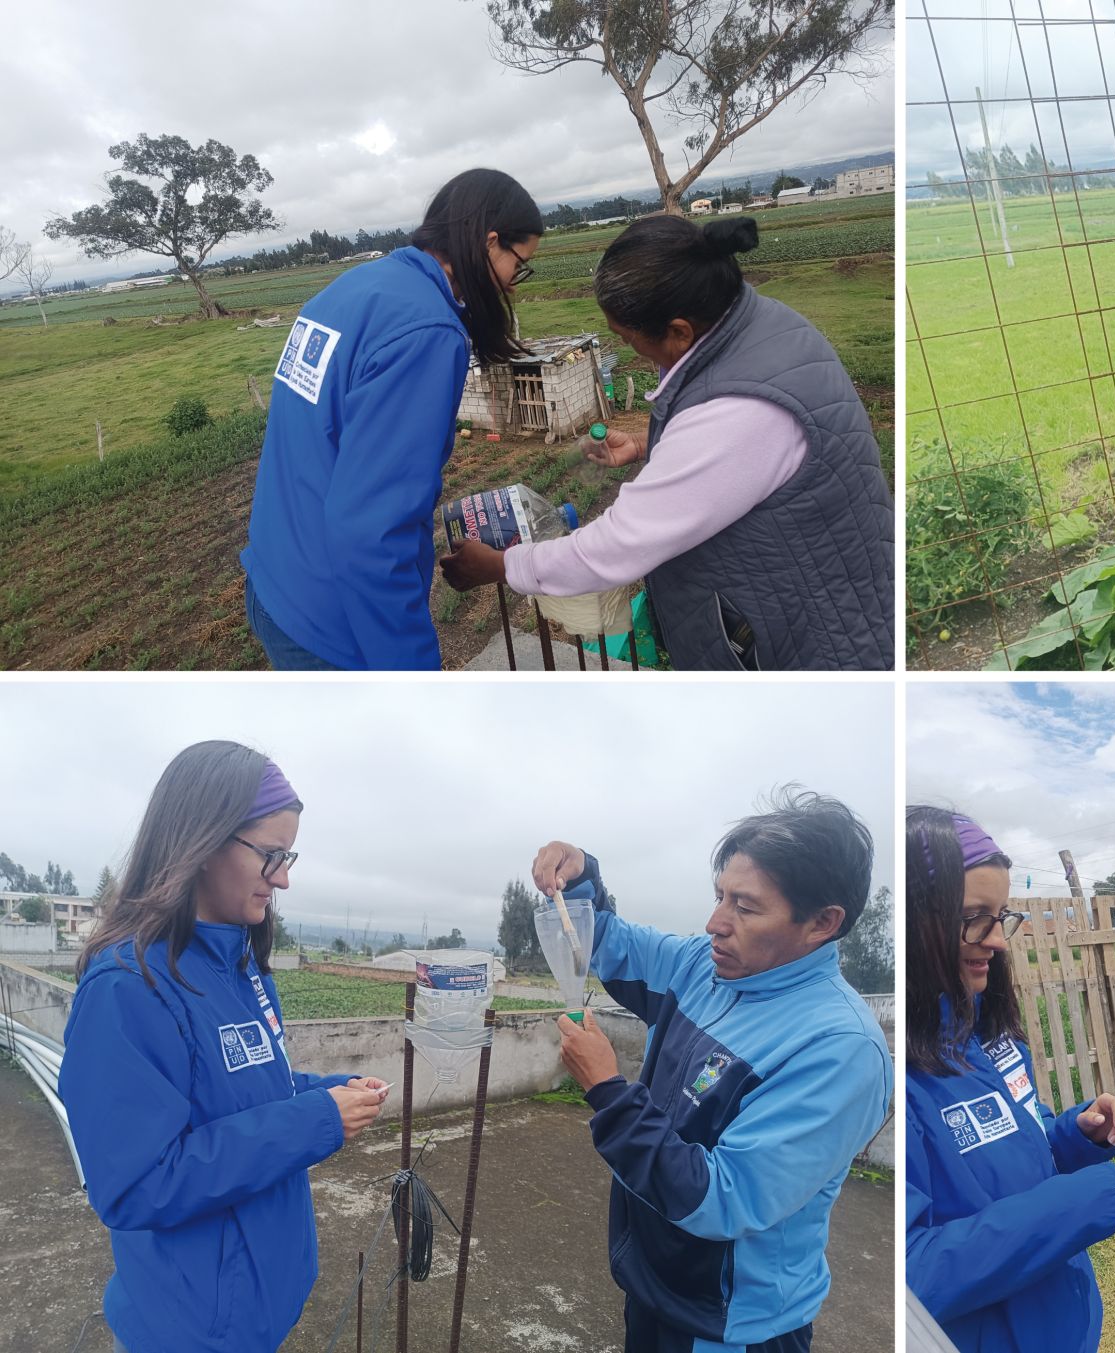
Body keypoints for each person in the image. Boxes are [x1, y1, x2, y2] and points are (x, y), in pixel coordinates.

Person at [439, 214, 895, 671]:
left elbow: (620, 544)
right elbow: (742, 459)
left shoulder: (742, 410)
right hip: (808, 607)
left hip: (806, 652)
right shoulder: (757, 323)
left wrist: (501, 567)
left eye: (626, 336)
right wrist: (644, 445)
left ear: (679, 331)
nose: (629, 346)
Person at [529, 788, 892, 1353]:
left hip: (728, 1322)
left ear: (822, 922)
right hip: (655, 1283)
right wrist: (578, 880)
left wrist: (608, 1091)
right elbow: (608, 946)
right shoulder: (705, 965)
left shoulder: (838, 1048)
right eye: (720, 896)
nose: (715, 922)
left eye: (745, 907)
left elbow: (722, 1199)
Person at [58, 741, 386, 1353]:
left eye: (288, 856)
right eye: (270, 856)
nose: (284, 878)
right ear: (203, 844)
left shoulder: (242, 963)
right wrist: (314, 1120)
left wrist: (328, 1093)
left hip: (259, 1312)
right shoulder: (128, 990)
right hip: (191, 1329)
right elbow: (137, 1185)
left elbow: (251, 1090)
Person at [241, 168, 543, 670]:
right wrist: (411, 670)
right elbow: (373, 529)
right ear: (491, 243)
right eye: (520, 264)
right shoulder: (427, 331)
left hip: (275, 579)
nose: (515, 281)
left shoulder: (354, 288)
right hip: (335, 622)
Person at [904, 806, 1115, 1352]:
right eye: (975, 916)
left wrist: (1076, 1135)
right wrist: (1085, 1202)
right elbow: (912, 1279)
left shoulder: (987, 1034)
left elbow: (1020, 1149)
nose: (998, 940)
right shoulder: (900, 1080)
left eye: (1001, 916)